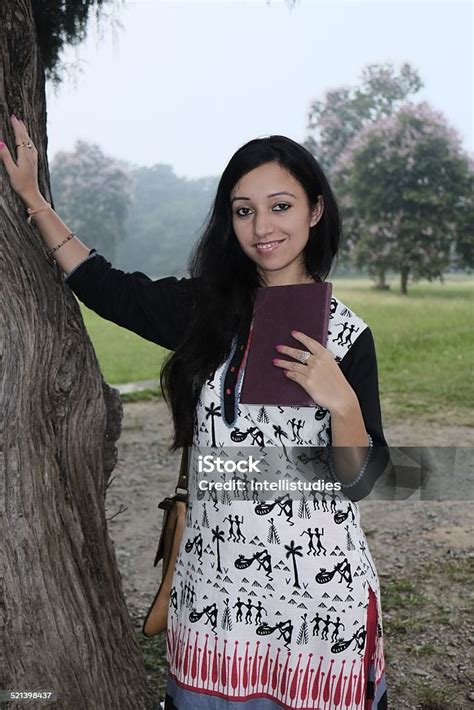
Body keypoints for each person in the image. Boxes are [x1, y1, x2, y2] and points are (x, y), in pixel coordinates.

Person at [0, 116, 389, 709]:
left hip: (318, 606)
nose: (262, 227)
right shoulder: (203, 313)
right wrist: (32, 198)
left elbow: (362, 481)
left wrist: (341, 400)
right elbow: (107, 286)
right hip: (214, 597)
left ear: (315, 211)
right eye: (243, 210)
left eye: (280, 206)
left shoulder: (349, 336)